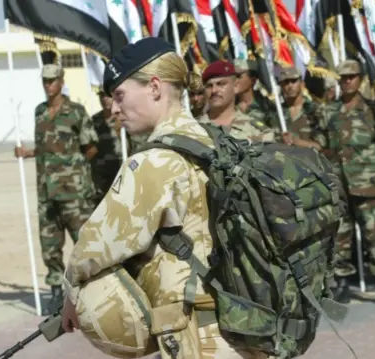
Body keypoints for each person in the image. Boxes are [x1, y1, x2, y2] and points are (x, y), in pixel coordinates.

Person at [60, 38, 266, 359]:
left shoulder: (154, 161)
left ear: (154, 87)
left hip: (200, 338)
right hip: (246, 326)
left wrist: (71, 295)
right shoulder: (217, 143)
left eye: (120, 95)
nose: (114, 108)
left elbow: (94, 248)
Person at [14, 63, 98, 314]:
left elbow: (90, 147)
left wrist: (76, 170)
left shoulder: (76, 111)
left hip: (73, 193)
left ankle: (92, 291)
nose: (48, 85)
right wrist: (28, 153)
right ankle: (56, 294)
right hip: (46, 192)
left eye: (52, 80)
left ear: (61, 81)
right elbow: (47, 145)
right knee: (50, 245)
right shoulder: (40, 112)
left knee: (84, 243)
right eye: (45, 81)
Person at [319, 59, 375, 306]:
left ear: (360, 79)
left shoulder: (373, 110)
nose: (347, 81)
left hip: (369, 183)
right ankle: (343, 283)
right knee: (341, 236)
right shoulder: (329, 111)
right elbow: (323, 145)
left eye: (351, 77)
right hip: (339, 184)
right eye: (343, 78)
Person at [197, 60, 276, 143]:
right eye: (209, 86)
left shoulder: (258, 131)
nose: (214, 90)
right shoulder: (192, 128)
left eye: (221, 84)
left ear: (236, 86)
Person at [90, 88, 123, 202]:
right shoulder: (94, 120)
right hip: (100, 174)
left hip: (119, 170)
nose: (104, 99)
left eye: (107, 96)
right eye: (101, 96)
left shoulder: (123, 117)